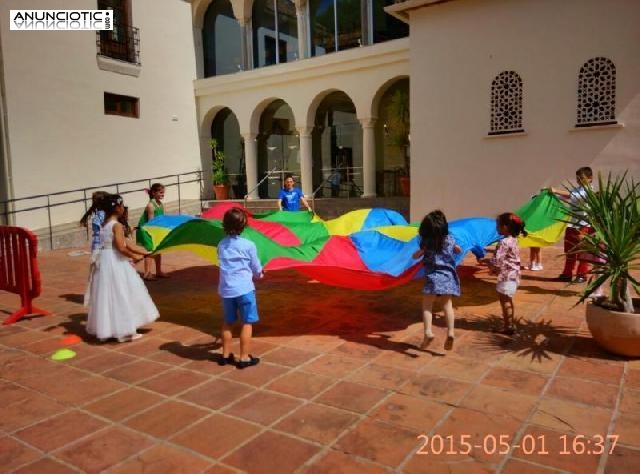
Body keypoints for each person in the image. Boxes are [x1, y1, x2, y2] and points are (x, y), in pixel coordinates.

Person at [86, 194, 159, 342]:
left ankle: (110, 328)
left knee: (108, 295)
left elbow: (126, 243)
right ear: (117, 208)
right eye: (122, 206)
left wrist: (145, 251)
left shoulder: (105, 224)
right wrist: (134, 256)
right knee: (122, 293)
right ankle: (126, 331)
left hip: (105, 261)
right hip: (115, 261)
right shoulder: (117, 225)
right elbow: (121, 247)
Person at [217, 207, 264, 369]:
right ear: (243, 225)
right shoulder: (249, 245)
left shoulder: (221, 245)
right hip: (244, 290)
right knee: (246, 323)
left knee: (228, 323)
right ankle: (244, 357)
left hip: (227, 290)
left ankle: (224, 355)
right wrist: (260, 274)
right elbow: (255, 266)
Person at [412, 210, 461, 351]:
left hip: (433, 277)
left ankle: (428, 332)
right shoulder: (450, 239)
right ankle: (450, 332)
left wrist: (418, 253)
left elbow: (416, 256)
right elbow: (457, 249)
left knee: (427, 305)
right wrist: (457, 249)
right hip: (448, 277)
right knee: (447, 305)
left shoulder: (426, 243)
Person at [550, 166, 594, 283]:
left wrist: (556, 190)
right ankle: (567, 273)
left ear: (590, 178)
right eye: (578, 178)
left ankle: (582, 274)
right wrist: (552, 195)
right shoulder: (578, 189)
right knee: (570, 251)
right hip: (572, 225)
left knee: (582, 252)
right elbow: (569, 196)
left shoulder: (589, 191)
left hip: (584, 226)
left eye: (582, 178)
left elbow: (572, 196)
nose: (579, 180)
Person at [490, 212, 527, 335]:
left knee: (504, 300)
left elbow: (497, 260)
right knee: (508, 300)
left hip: (506, 276)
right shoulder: (514, 240)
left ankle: (508, 326)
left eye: (498, 225)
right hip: (513, 275)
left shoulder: (504, 242)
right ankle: (509, 324)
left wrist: (488, 263)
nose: (496, 228)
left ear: (505, 227)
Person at [136, 183, 168, 280]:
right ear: (153, 193)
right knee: (150, 251)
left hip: (156, 229)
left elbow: (162, 218)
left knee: (158, 249)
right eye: (160, 192)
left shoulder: (160, 204)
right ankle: (147, 273)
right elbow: (151, 223)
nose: (163, 194)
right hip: (146, 230)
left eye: (163, 193)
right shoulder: (151, 206)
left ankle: (158, 271)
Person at [79, 190, 110, 256]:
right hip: (104, 248)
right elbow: (100, 234)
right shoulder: (103, 216)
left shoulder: (97, 216)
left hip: (99, 247)